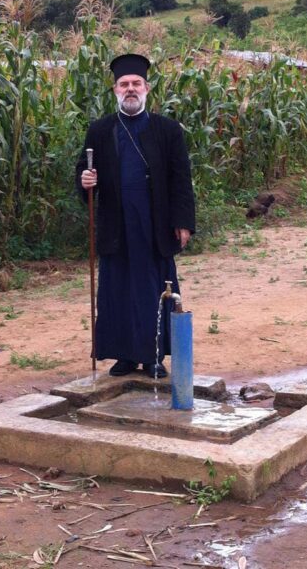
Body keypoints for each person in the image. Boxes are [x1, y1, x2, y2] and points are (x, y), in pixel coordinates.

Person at [75, 53, 195, 378]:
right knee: (118, 289)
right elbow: (84, 172)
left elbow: (180, 178)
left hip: (155, 223)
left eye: (136, 84)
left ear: (146, 89)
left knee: (154, 288)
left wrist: (183, 222)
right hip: (116, 222)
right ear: (115, 90)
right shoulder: (100, 130)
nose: (130, 89)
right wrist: (85, 180)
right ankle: (125, 357)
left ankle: (153, 357)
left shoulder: (167, 129)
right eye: (124, 84)